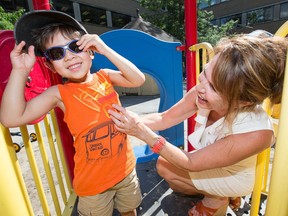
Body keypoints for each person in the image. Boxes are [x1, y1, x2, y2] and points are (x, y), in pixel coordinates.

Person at [108, 34, 288, 215]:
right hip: (209, 162)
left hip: (232, 177)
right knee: (164, 164)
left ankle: (217, 197)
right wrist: (124, 120)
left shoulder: (257, 133)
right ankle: (217, 194)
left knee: (166, 166)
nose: (200, 86)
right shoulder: (204, 92)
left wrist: (142, 133)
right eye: (204, 72)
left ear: (243, 102)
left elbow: (191, 162)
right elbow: (164, 118)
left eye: (214, 87)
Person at [0, 10, 145, 216]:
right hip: (94, 185)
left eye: (75, 47)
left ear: (91, 51)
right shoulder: (59, 94)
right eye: (57, 53)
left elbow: (138, 80)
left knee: (129, 210)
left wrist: (106, 49)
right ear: (50, 65)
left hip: (125, 171)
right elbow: (11, 118)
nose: (69, 57)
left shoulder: (105, 77)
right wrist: (20, 71)